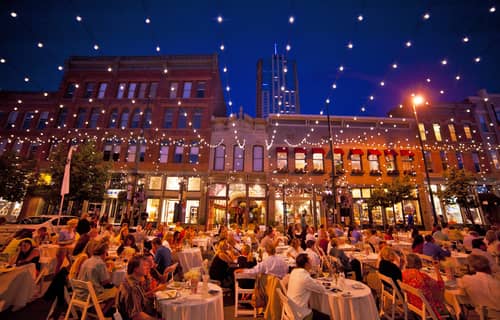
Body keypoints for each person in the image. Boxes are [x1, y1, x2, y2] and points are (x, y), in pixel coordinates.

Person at [287, 253, 329, 320]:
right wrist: (319, 282)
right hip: (301, 313)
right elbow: (322, 289)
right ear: (306, 264)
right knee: (327, 317)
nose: (311, 263)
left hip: (291, 309)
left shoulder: (294, 272)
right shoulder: (305, 277)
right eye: (310, 261)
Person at [78, 242, 116, 313]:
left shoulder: (87, 261)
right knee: (116, 292)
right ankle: (102, 313)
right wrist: (111, 273)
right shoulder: (100, 263)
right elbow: (105, 283)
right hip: (90, 295)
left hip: (80, 292)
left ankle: (96, 311)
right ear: (104, 253)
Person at [116, 255, 158, 320]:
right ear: (135, 269)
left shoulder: (130, 279)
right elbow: (137, 316)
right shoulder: (133, 288)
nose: (148, 267)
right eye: (144, 265)